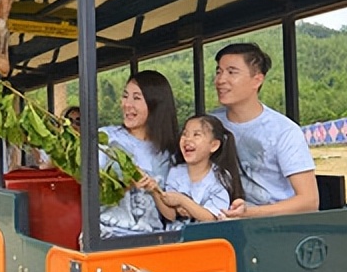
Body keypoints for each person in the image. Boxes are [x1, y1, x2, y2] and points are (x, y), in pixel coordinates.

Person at [210, 43, 318, 217]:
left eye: (231, 72)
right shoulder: (210, 124)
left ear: (257, 80)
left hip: (271, 225)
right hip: (218, 220)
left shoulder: (284, 131)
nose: (220, 80)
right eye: (218, 72)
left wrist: (250, 213)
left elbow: (309, 201)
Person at [98, 71, 180, 238]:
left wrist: (154, 190)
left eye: (136, 98)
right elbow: (91, 195)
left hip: (153, 238)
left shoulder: (169, 153)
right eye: (125, 96)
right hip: (109, 235)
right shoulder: (106, 139)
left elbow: (172, 214)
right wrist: (126, 185)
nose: (127, 104)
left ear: (155, 103)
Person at [141, 115, 242, 225]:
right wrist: (155, 191)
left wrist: (182, 201)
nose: (188, 139)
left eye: (196, 135)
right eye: (185, 134)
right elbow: (171, 216)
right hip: (176, 234)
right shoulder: (176, 172)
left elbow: (212, 218)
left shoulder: (220, 176)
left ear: (214, 145)